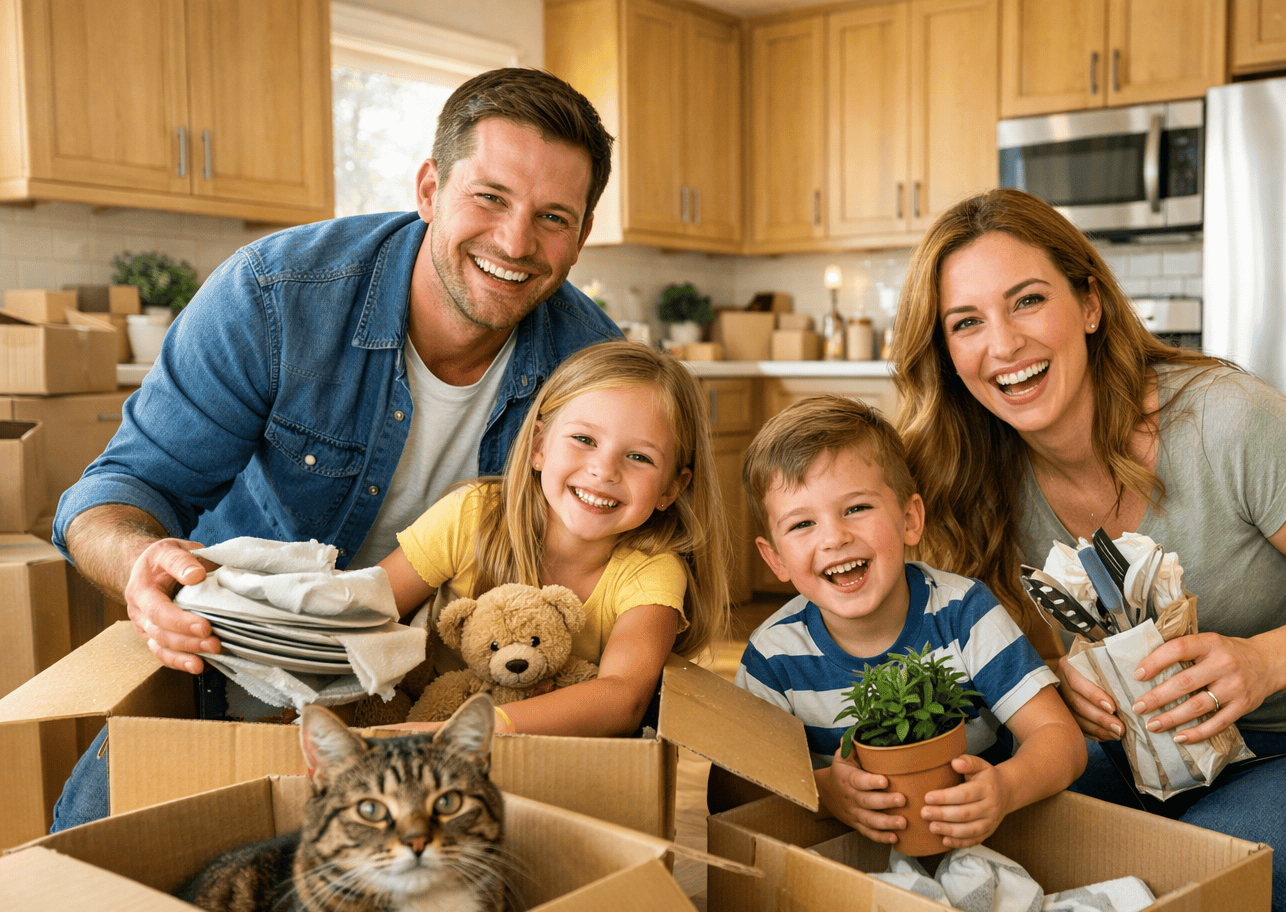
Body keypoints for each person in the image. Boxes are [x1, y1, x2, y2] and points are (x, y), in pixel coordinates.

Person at [889, 188, 1286, 912]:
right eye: (966, 322)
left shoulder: (1224, 421)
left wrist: (1262, 663)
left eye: (1027, 301)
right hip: (1160, 759)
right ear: (945, 350)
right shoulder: (983, 471)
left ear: (1089, 303)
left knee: (1204, 896)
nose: (1002, 345)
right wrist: (1055, 672)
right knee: (995, 829)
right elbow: (1009, 640)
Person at [48, 67, 618, 830]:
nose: (516, 243)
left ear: (581, 236)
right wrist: (140, 566)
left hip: (451, 691)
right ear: (429, 188)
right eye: (489, 198)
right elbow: (118, 492)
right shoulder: (275, 296)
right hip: (242, 656)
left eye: (553, 217)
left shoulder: (592, 367)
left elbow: (641, 556)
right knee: (90, 842)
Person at [732, 395, 1085, 850]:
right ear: (775, 558)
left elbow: (1061, 741)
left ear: (910, 519)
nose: (835, 537)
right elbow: (730, 789)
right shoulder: (773, 654)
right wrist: (821, 790)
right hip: (848, 861)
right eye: (802, 525)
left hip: (985, 847)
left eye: (856, 508)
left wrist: (1005, 788)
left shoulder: (965, 612)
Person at [378, 340, 729, 736]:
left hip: (551, 759)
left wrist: (477, 729)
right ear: (539, 446)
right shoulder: (471, 516)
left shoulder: (652, 570)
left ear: (671, 489)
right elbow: (360, 615)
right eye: (585, 440)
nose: (604, 470)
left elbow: (624, 699)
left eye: (639, 457)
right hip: (424, 733)